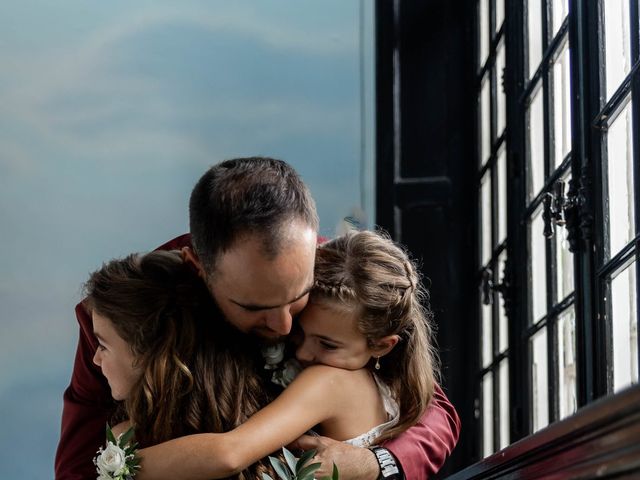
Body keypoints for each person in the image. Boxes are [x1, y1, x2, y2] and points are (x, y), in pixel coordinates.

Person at [55, 157, 461, 480]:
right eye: (254, 307)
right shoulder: (125, 313)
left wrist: (376, 465)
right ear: (198, 267)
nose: (285, 327)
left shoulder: (332, 275)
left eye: (298, 297)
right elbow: (77, 465)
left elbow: (430, 406)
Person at [130, 229, 439, 479]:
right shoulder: (393, 388)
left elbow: (230, 454)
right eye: (299, 332)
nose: (304, 352)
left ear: (382, 345)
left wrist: (115, 467)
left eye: (327, 344)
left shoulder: (331, 382)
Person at [85, 250, 276, 479]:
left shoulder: (128, 451)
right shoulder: (124, 442)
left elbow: (228, 456)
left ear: (149, 352)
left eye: (104, 345)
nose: (95, 359)